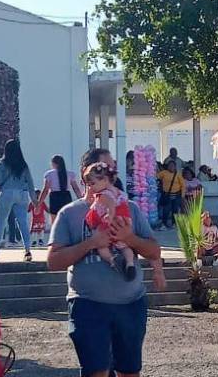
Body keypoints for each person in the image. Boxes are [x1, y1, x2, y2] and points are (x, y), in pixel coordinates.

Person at [48, 151, 166, 377]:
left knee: (129, 371)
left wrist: (129, 238)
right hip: (88, 305)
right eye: (108, 166)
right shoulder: (69, 214)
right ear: (89, 175)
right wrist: (91, 243)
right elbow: (53, 261)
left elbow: (154, 250)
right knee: (97, 372)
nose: (114, 171)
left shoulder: (130, 208)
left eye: (113, 167)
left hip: (131, 304)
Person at [83, 163, 137, 280]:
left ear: (105, 179)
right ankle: (129, 263)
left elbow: (111, 206)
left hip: (109, 225)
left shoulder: (104, 194)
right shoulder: (120, 193)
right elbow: (123, 207)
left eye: (93, 184)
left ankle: (112, 260)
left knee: (101, 247)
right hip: (122, 224)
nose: (91, 187)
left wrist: (109, 215)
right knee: (124, 247)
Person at [0, 140, 36, 263]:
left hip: (7, 193)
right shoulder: (23, 164)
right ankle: (27, 251)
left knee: (0, 223)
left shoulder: (2, 163)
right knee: (23, 223)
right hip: (22, 194)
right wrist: (35, 200)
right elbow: (30, 183)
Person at [39, 155, 82, 224]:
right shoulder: (70, 174)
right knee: (67, 220)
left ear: (54, 163)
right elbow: (75, 188)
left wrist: (39, 203)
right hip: (66, 196)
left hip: (54, 197)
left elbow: (45, 190)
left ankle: (55, 234)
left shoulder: (49, 174)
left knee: (54, 221)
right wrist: (81, 199)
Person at [157, 160, 185, 230]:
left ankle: (174, 224)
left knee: (175, 210)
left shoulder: (178, 175)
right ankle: (164, 224)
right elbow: (156, 177)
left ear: (175, 167)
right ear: (167, 166)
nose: (171, 167)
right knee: (166, 210)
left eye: (173, 166)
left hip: (176, 195)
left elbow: (183, 185)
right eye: (170, 165)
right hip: (167, 195)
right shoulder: (163, 173)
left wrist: (182, 196)